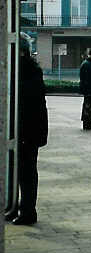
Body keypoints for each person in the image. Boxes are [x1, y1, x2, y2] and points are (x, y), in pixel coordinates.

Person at [11, 42, 49, 225]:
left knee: (26, 173)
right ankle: (16, 206)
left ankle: (27, 211)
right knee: (19, 172)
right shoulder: (23, 68)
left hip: (28, 131)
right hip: (25, 130)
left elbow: (27, 101)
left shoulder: (27, 71)